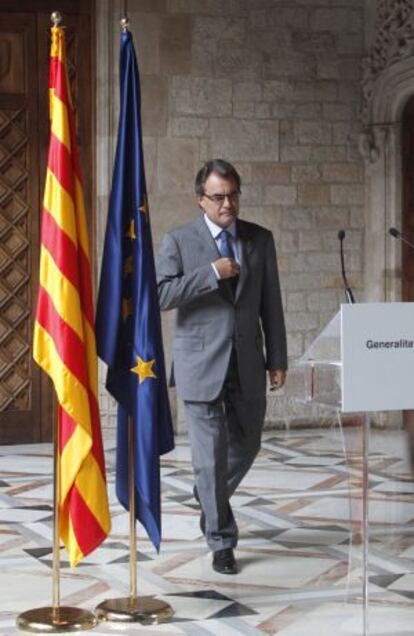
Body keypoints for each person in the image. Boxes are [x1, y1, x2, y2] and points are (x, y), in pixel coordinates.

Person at [156, 159, 287, 574]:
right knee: (209, 456)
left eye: (233, 194)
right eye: (218, 197)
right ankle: (221, 542)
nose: (228, 203)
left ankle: (207, 492)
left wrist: (277, 359)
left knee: (247, 445)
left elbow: (272, 303)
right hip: (200, 365)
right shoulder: (178, 241)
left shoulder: (259, 240)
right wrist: (210, 273)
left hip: (248, 361)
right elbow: (159, 295)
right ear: (201, 200)